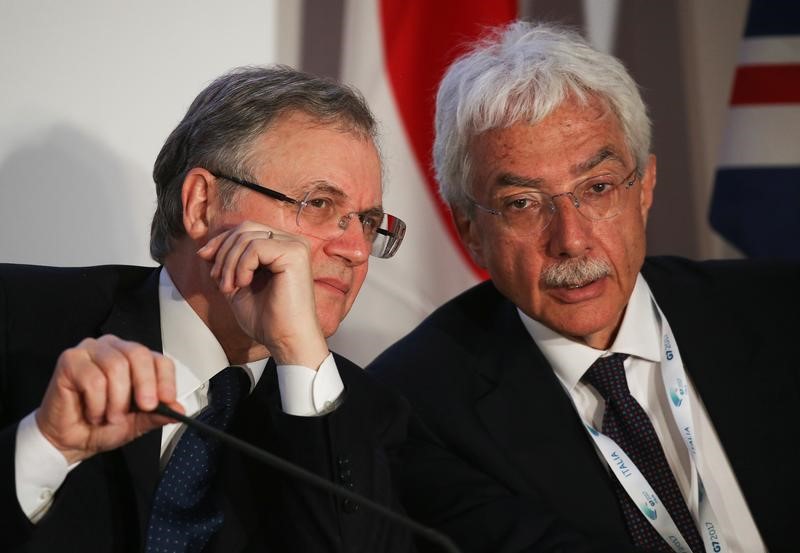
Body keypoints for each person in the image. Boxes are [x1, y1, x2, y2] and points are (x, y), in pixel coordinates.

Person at [369, 21, 799, 553]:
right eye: (522, 203)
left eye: (597, 189)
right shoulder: (417, 406)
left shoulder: (784, 312)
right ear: (470, 230)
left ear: (644, 189)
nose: (571, 241)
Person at [0, 65, 413, 552]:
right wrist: (46, 447)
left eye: (366, 221)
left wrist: (299, 351)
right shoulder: (17, 318)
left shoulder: (364, 415)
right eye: (319, 203)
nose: (356, 250)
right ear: (201, 205)